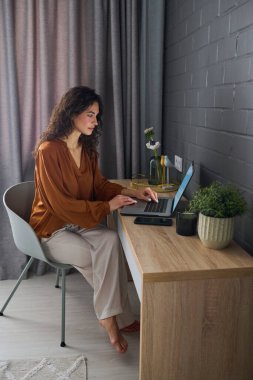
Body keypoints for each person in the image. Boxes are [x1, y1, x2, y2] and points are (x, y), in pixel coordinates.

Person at [29, 86, 158, 354]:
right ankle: (113, 319)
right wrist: (107, 206)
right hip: (51, 229)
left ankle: (110, 315)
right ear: (72, 113)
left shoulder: (87, 150)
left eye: (96, 116)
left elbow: (99, 185)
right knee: (98, 256)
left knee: (110, 241)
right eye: (90, 114)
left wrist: (134, 193)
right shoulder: (48, 151)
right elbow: (60, 205)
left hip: (77, 223)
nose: (95, 121)